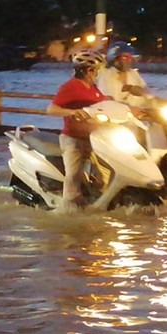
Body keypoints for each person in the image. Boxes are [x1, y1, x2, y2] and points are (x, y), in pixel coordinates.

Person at [46, 48, 106, 212]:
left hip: (95, 137)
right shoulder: (70, 87)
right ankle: (68, 207)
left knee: (107, 170)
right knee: (74, 174)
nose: (97, 74)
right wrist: (71, 112)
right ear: (89, 70)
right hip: (73, 138)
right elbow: (51, 109)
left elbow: (104, 105)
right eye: (96, 70)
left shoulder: (93, 88)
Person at [97, 41, 150, 116]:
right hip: (115, 116)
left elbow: (146, 93)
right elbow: (106, 98)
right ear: (114, 59)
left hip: (138, 116)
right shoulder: (105, 74)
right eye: (124, 57)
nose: (128, 60)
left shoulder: (133, 74)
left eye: (130, 57)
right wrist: (128, 108)